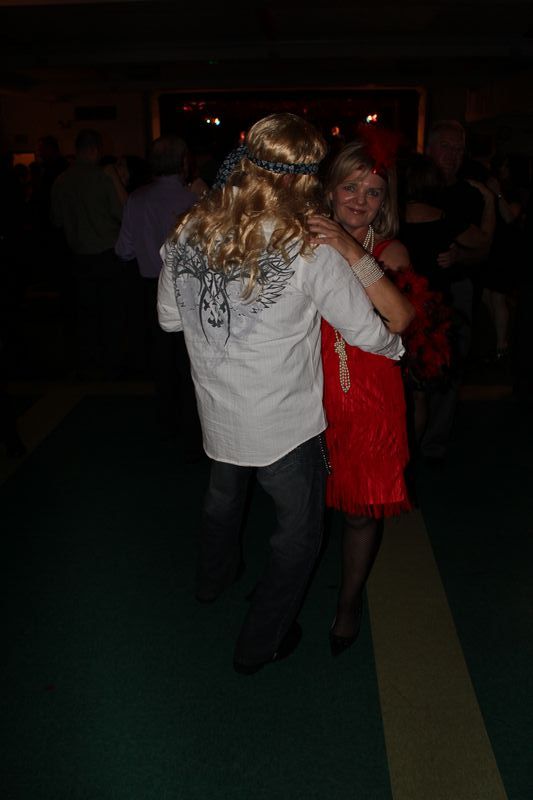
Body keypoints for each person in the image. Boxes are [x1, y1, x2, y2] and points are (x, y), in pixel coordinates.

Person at [157, 113, 405, 674]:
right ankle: (258, 644)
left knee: (222, 503)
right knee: (298, 538)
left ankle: (211, 581)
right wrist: (397, 350)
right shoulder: (307, 248)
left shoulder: (187, 231)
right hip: (286, 429)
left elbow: (170, 320)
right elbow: (368, 333)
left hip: (218, 417)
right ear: (303, 177)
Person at [307, 129, 416, 656]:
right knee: (302, 508)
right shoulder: (300, 242)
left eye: (372, 192)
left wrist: (349, 247)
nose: (360, 200)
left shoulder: (392, 252)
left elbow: (398, 317)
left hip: (371, 399)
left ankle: (348, 604)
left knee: (361, 511)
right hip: (307, 389)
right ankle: (288, 582)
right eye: (350, 187)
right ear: (329, 189)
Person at [115, 135, 203, 456]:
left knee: (161, 360)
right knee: (191, 362)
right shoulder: (196, 200)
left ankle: (167, 423)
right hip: (192, 290)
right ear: (184, 162)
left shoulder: (137, 199)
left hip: (150, 289)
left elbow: (123, 250)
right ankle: (194, 428)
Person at [422, 120, 495, 462]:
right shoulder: (414, 185)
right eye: (446, 147)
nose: (453, 155)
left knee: (449, 368)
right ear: (429, 149)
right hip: (413, 291)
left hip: (454, 291)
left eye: (459, 149)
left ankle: (433, 445)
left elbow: (482, 249)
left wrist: (460, 256)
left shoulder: (468, 194)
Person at [51, 129, 125, 379]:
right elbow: (120, 214)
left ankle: (88, 362)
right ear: (95, 149)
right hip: (106, 254)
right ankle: (112, 363)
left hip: (78, 256)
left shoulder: (61, 181)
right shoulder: (102, 178)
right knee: (110, 312)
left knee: (85, 313)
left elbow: (56, 220)